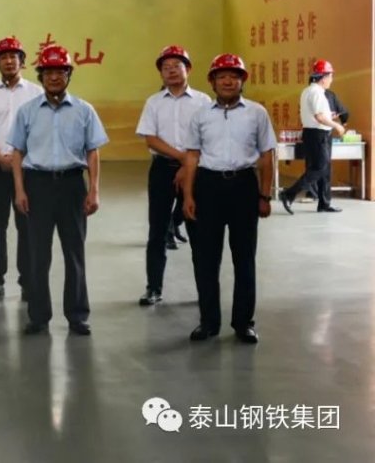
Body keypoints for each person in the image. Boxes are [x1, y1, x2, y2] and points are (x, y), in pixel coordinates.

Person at [10, 45, 108, 337]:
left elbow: (93, 151)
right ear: (40, 76)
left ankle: (77, 315)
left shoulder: (84, 110)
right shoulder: (27, 111)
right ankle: (38, 316)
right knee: (38, 255)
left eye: (60, 72)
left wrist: (94, 190)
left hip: (72, 186)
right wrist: (19, 190)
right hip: (37, 186)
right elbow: (17, 152)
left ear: (69, 75)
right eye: (49, 72)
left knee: (74, 252)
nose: (54, 77)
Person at [183, 53, 276, 344]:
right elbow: (192, 156)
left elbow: (267, 155)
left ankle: (243, 322)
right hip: (208, 187)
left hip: (243, 187)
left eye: (233, 76)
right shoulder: (200, 115)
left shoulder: (257, 113)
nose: (227, 81)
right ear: (212, 82)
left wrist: (264, 195)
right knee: (206, 259)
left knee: (244, 258)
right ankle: (208, 322)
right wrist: (188, 194)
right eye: (221, 76)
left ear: (241, 81)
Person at [134, 45, 210, 306]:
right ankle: (153, 288)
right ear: (161, 74)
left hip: (197, 170)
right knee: (157, 230)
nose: (171, 71)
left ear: (188, 69)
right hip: (162, 169)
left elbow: (208, 138)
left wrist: (189, 166)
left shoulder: (203, 102)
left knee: (199, 231)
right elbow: (151, 139)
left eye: (177, 66)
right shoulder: (153, 102)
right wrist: (182, 159)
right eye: (166, 68)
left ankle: (205, 290)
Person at [0, 36, 44, 301]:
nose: (8, 61)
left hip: (27, 168)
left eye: (13, 56)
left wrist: (19, 158)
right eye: (3, 57)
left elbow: (42, 130)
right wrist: (0, 158)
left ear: (21, 61)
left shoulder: (36, 92)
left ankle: (27, 281)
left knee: (26, 226)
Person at [279, 60, 344, 214]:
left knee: (325, 170)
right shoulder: (316, 93)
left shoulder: (309, 91)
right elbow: (319, 117)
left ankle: (324, 203)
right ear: (323, 77)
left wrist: (330, 119)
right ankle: (289, 193)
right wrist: (337, 126)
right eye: (330, 76)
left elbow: (319, 115)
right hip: (318, 134)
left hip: (315, 134)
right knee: (320, 168)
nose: (331, 80)